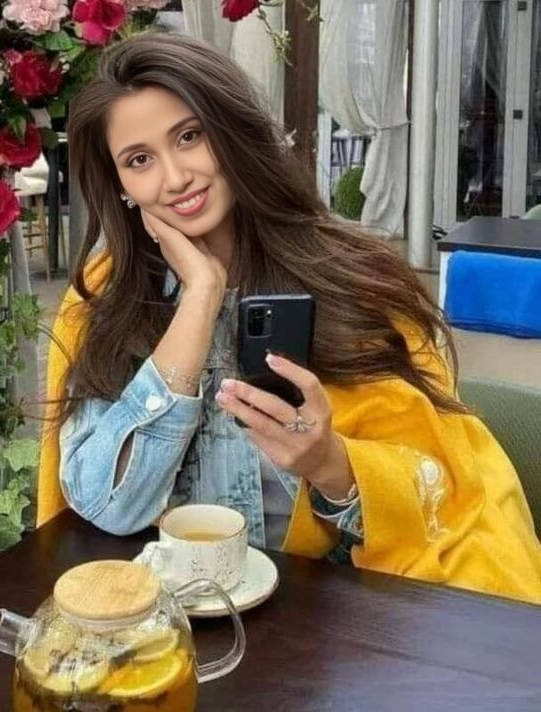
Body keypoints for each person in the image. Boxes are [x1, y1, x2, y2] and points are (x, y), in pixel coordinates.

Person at [37, 33, 541, 604]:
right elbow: (107, 506)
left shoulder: (354, 277)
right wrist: (201, 297)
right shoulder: (102, 302)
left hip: (329, 619)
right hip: (162, 618)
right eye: (139, 160)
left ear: (231, 132)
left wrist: (331, 464)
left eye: (189, 136)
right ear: (121, 185)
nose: (175, 177)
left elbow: (442, 488)